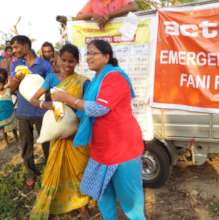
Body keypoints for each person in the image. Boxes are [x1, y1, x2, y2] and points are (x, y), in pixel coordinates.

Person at [51, 39, 145, 220]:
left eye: (93, 53)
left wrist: (67, 98)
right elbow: (85, 113)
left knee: (131, 202)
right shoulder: (95, 81)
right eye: (87, 53)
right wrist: (64, 127)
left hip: (121, 149)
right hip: (101, 149)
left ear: (107, 56)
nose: (89, 57)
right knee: (103, 194)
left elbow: (99, 108)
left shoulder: (114, 76)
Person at [29, 43, 90, 219]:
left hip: (78, 130)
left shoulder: (84, 81)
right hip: (59, 130)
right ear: (58, 59)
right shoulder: (50, 78)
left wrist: (70, 105)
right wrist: (53, 106)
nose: (67, 64)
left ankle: (81, 204)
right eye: (64, 60)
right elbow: (34, 99)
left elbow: (86, 107)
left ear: (77, 62)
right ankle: (59, 200)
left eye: (71, 61)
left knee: (79, 168)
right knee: (59, 167)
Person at [9, 35, 52, 188]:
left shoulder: (44, 65)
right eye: (12, 48)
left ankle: (50, 172)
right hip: (23, 112)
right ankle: (31, 173)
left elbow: (51, 86)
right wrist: (16, 80)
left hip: (41, 111)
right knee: (26, 144)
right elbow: (12, 88)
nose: (14, 51)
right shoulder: (15, 64)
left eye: (16, 47)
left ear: (26, 45)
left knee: (47, 143)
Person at [0, 74, 18, 145]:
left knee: (13, 127)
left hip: (10, 111)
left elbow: (16, 94)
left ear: (3, 84)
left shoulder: (8, 90)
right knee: (3, 129)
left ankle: (17, 138)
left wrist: (14, 104)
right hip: (1, 113)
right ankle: (6, 141)